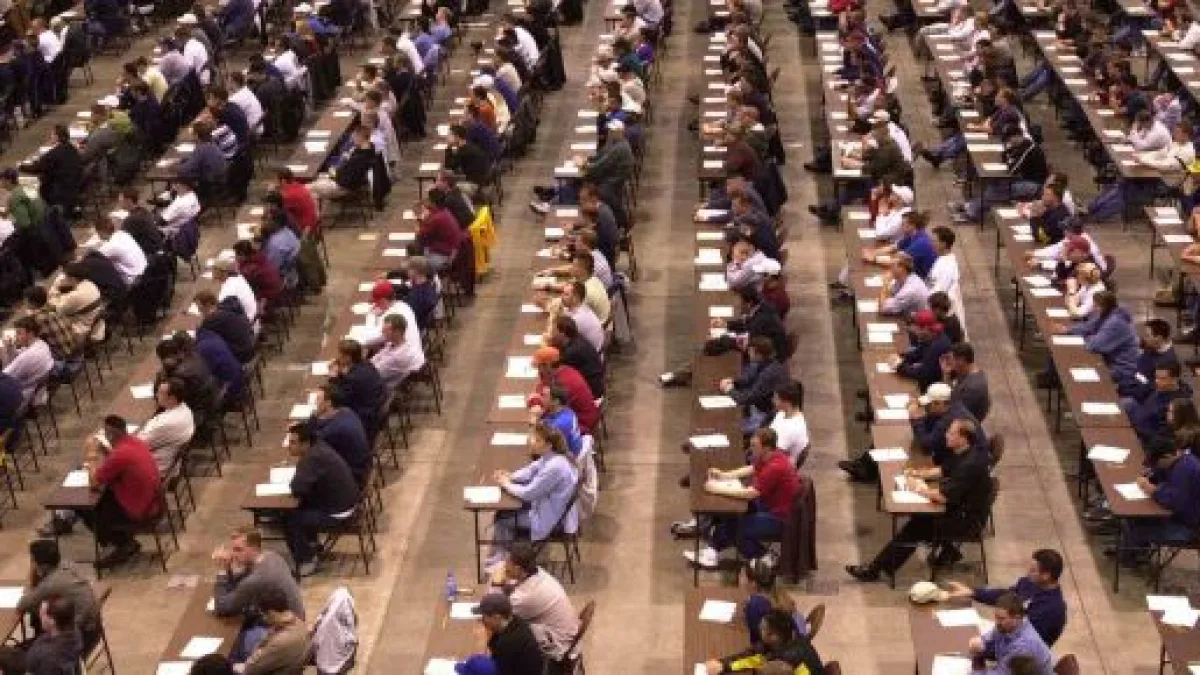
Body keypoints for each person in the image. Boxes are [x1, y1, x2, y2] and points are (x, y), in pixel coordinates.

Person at [846, 420, 991, 580]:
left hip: (967, 522)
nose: (946, 435)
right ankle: (883, 567)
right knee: (918, 521)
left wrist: (917, 488)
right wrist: (916, 474)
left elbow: (942, 497)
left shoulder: (970, 465)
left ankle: (875, 570)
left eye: (951, 433)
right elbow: (942, 470)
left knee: (917, 526)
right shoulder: (965, 452)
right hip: (960, 510)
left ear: (963, 438)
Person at [49, 417, 161, 567]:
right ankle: (123, 541)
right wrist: (105, 450)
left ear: (111, 435)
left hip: (139, 510)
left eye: (105, 433)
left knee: (84, 506)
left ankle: (119, 544)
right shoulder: (134, 442)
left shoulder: (121, 454)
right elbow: (117, 461)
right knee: (101, 496)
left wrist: (91, 456)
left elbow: (94, 483)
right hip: (150, 500)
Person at [685, 428, 801, 569]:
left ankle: (764, 556)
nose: (751, 449)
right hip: (769, 505)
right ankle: (711, 552)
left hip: (780, 518)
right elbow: (752, 468)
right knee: (731, 518)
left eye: (754, 446)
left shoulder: (775, 467)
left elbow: (750, 493)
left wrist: (716, 489)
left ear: (766, 448)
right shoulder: (773, 455)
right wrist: (724, 475)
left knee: (735, 529)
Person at [486, 423, 579, 570]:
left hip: (547, 518)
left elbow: (529, 493)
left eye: (537, 440)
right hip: (544, 506)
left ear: (548, 445)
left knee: (502, 520)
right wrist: (511, 476)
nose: (532, 441)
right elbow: (531, 470)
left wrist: (506, 484)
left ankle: (499, 564)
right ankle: (503, 557)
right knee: (503, 513)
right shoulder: (551, 457)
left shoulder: (554, 467)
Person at [946, 549, 1067, 647]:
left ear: (1046, 575)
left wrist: (983, 647)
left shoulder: (1052, 610)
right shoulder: (1029, 583)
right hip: (1006, 635)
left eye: (1033, 570)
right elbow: (1005, 596)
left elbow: (1024, 642)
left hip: (1021, 654)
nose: (1028, 573)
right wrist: (973, 592)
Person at [284, 424, 361, 576]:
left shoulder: (311, 458)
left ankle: (307, 561)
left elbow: (297, 488)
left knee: (291, 520)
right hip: (346, 503)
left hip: (340, 515)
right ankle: (312, 545)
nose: (288, 446)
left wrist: (299, 473)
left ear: (305, 443)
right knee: (303, 506)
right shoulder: (319, 446)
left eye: (293, 442)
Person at [1113, 438, 1200, 564]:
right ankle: (1134, 554)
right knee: (1133, 520)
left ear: (1167, 456)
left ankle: (1129, 559)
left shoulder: (1186, 470)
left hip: (1187, 528)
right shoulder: (1180, 461)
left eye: (1156, 463)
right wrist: (1153, 474)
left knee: (1131, 528)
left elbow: (1174, 502)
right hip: (1178, 518)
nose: (1155, 465)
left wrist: (1153, 490)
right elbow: (1166, 477)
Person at [489, 542, 579, 661]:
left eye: (507, 564)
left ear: (518, 569)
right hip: (564, 634)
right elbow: (514, 589)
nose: (504, 567)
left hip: (558, 645)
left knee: (503, 632)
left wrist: (495, 583)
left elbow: (495, 610)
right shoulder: (538, 572)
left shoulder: (526, 596)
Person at [17, 540, 100, 651]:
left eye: (33, 561)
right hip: (93, 629)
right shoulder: (67, 565)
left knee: (15, 651)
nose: (32, 564)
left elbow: (22, 605)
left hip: (79, 638)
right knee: (40, 612)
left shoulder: (51, 584)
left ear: (42, 565)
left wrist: (31, 576)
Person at [704, 609, 824, 675]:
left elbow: (757, 662)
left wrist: (724, 667)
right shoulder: (789, 636)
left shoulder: (784, 659)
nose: (759, 630)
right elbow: (753, 655)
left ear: (773, 636)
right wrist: (722, 665)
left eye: (762, 629)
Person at [296, 385, 371, 485]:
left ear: (328, 403)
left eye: (317, 399)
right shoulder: (345, 411)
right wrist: (307, 422)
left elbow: (311, 442)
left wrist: (311, 417)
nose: (314, 403)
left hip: (353, 476)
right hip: (361, 466)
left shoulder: (334, 430)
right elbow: (321, 423)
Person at [968, 593, 1054, 675]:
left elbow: (1001, 673)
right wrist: (980, 643)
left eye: (1001, 618)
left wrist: (976, 666)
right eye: (996, 617)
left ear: (1016, 618)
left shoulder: (1023, 646)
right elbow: (989, 639)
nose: (996, 622)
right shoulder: (1004, 627)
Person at [722, 337, 789, 432]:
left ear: (758, 355)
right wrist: (733, 382)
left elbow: (746, 399)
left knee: (732, 429)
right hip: (759, 407)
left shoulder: (768, 373)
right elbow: (748, 379)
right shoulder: (766, 363)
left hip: (765, 415)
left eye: (750, 351)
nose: (748, 353)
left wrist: (730, 390)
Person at [238, 586, 311, 675]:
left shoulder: (280, 642)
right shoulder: (298, 622)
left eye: (263, 615)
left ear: (271, 613)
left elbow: (250, 670)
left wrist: (255, 656)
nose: (263, 618)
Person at [530, 346, 599, 435]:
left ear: (547, 366)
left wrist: (537, 407)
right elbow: (541, 390)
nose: (538, 371)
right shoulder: (559, 372)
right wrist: (535, 402)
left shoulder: (565, 382)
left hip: (582, 423)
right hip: (572, 416)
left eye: (539, 367)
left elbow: (549, 408)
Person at [473, 593, 547, 675]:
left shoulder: (508, 643)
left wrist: (481, 643)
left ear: (496, 617)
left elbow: (485, 670)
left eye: (484, 616)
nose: (482, 620)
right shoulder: (516, 621)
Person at [136, 377, 195, 476]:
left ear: (172, 399)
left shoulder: (167, 424)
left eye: (160, 393)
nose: (156, 395)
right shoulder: (184, 408)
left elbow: (138, 445)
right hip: (166, 460)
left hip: (156, 468)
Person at [327, 339, 386, 437]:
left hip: (364, 416)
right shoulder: (366, 364)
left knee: (327, 413)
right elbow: (349, 385)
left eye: (340, 355)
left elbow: (340, 399)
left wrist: (332, 378)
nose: (338, 357)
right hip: (373, 405)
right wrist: (340, 375)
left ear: (348, 357)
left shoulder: (354, 377)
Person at [19, 125, 83, 214]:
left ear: (57, 137)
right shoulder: (73, 149)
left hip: (58, 190)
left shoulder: (55, 153)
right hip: (73, 187)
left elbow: (37, 168)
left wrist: (21, 166)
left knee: (34, 186)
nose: (50, 137)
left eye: (52, 134)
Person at [743, 559, 804, 649]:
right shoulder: (779, 595)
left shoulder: (755, 604)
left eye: (743, 576)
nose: (741, 580)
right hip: (792, 645)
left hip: (775, 652)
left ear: (753, 583)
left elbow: (754, 634)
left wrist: (747, 612)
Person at [889, 310, 952, 393]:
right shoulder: (931, 336)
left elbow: (923, 374)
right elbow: (917, 354)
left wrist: (900, 366)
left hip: (932, 388)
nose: (914, 331)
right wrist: (900, 357)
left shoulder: (938, 346)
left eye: (916, 327)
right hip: (925, 378)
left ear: (925, 328)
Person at [22, 596, 82, 675]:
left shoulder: (47, 657)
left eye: (42, 614)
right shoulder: (75, 632)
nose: (40, 616)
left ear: (52, 621)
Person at [548, 315, 604, 398]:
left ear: (562, 334)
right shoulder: (576, 337)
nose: (551, 333)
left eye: (554, 331)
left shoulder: (572, 352)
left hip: (591, 391)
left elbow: (552, 366)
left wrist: (548, 344)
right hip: (593, 383)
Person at [3, 317, 54, 405]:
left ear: (30, 334)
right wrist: (10, 348)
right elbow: (20, 354)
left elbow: (4, 377)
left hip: (23, 396)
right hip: (37, 390)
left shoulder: (28, 356)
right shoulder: (41, 344)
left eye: (19, 333)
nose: (16, 337)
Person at [196, 289, 256, 362]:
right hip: (251, 344)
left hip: (242, 354)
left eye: (200, 308)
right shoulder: (228, 308)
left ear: (207, 305)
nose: (199, 311)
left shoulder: (213, 319)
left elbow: (201, 335)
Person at [22, 286, 76, 366]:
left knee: (29, 348)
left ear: (33, 303)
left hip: (62, 356)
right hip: (74, 347)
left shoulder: (38, 319)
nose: (24, 303)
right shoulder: (52, 307)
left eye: (25, 301)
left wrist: (30, 316)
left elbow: (33, 339)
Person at [86, 216, 148, 286]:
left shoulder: (110, 246)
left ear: (100, 232)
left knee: (98, 271)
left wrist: (90, 250)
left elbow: (92, 260)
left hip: (134, 280)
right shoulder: (123, 234)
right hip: (145, 271)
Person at [371, 313, 424, 390]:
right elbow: (376, 358)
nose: (382, 332)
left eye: (386, 330)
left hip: (382, 387)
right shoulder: (399, 343)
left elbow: (373, 374)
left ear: (397, 332)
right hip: (379, 373)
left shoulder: (397, 357)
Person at [942, 342, 990, 421]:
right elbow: (952, 393)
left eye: (951, 359)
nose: (949, 363)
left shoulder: (972, 387)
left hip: (963, 423)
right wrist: (946, 373)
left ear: (961, 360)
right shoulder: (967, 373)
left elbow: (955, 412)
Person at [770, 380, 809, 467]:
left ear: (787, 402)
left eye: (776, 398)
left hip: (777, 467)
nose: (772, 400)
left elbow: (773, 456)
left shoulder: (792, 428)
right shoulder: (782, 413)